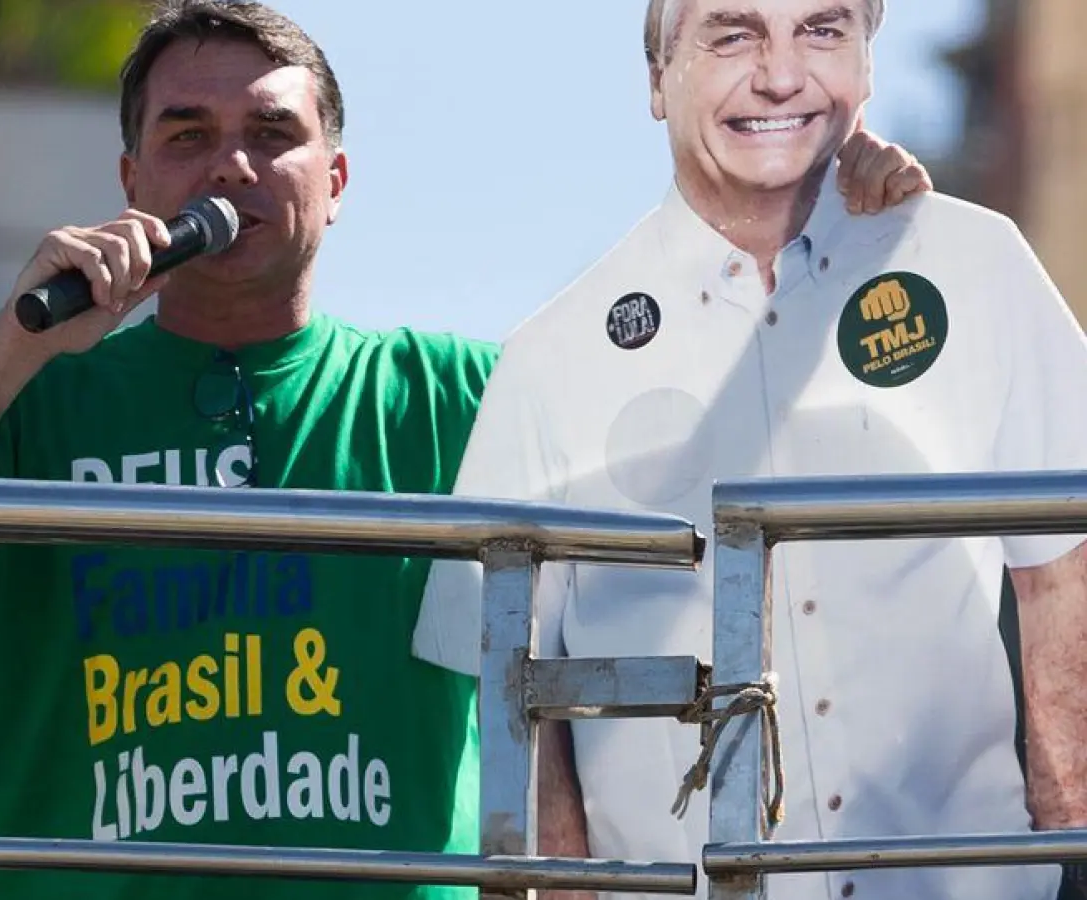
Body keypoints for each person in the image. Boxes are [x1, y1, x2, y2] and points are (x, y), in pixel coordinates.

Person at [0, 2, 935, 899]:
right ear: (131, 183)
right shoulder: (35, 405)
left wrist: (836, 263)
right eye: (187, 136)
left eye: (271, 134)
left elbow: (731, 474)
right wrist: (11, 345)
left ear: (334, 184)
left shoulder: (459, 396)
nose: (229, 166)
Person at [413, 2, 1087, 900]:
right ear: (656, 78)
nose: (779, 76)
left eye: (822, 31)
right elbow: (519, 710)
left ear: (868, 65)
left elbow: (1066, 580)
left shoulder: (976, 265)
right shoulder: (550, 360)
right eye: (732, 35)